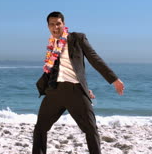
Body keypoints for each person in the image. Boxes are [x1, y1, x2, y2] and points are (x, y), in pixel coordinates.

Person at [33, 11, 124, 154]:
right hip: (55, 91)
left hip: (75, 90)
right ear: (48, 26)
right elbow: (52, 69)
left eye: (58, 24)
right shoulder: (51, 45)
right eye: (52, 24)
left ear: (64, 24)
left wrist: (114, 79)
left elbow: (95, 59)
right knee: (40, 128)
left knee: (91, 129)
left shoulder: (77, 39)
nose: (55, 27)